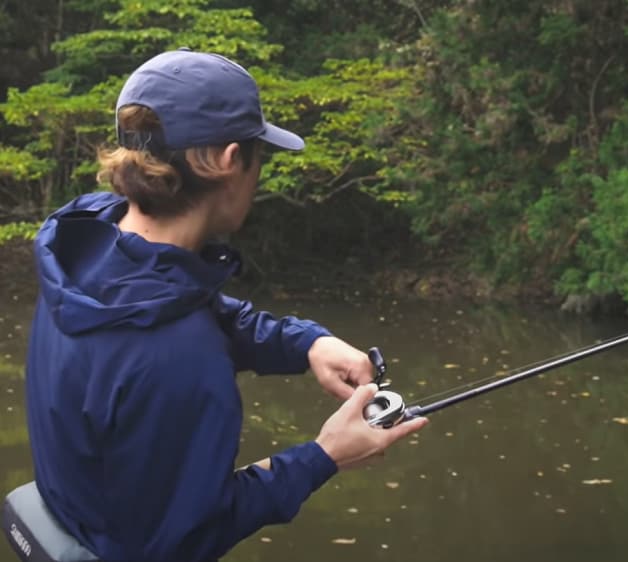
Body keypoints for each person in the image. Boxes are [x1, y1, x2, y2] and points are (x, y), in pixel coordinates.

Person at [23, 49, 428, 562]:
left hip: (83, 517)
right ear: (230, 160)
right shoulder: (181, 358)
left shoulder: (88, 241)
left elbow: (192, 304)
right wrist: (325, 456)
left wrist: (306, 343)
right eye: (259, 154)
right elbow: (182, 542)